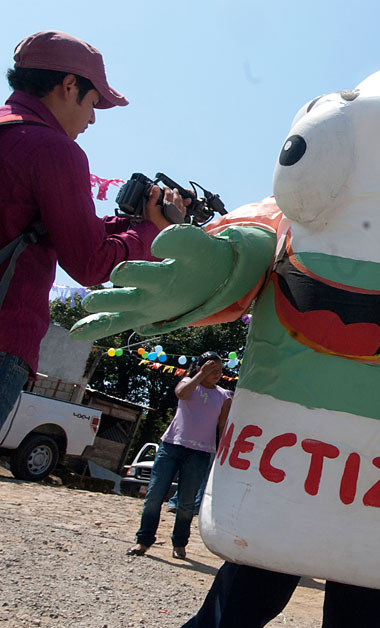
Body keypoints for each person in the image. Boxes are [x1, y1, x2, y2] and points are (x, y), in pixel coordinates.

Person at [0, 30, 177, 428]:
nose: (93, 118)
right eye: (93, 102)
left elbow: (34, 226)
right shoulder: (54, 150)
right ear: (68, 86)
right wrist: (151, 231)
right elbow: (90, 264)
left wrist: (130, 223)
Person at [127, 352, 232, 559]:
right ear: (201, 368)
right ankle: (143, 541)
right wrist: (200, 375)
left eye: (220, 370)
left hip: (201, 453)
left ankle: (180, 543)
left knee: (186, 503)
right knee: (154, 496)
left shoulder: (223, 396)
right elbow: (182, 394)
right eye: (213, 369)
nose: (217, 374)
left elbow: (222, 426)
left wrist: (221, 451)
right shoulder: (188, 383)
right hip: (171, 447)